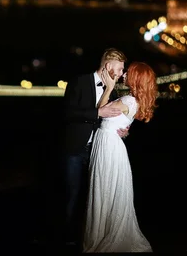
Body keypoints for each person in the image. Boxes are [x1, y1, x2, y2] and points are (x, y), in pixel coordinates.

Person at [83, 61, 157, 253]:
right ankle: (101, 232)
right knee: (105, 188)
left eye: (128, 73)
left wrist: (109, 87)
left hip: (109, 146)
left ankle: (101, 236)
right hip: (110, 144)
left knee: (104, 187)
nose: (124, 75)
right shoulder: (131, 100)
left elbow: (100, 110)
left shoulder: (128, 101)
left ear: (136, 78)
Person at [62, 48, 130, 247]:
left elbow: (115, 119)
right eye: (119, 69)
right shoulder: (79, 81)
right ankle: (66, 239)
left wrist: (124, 131)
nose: (120, 74)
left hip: (98, 151)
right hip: (74, 149)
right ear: (108, 66)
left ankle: (87, 238)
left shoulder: (115, 90)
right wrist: (97, 112)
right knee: (71, 195)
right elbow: (67, 113)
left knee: (92, 196)